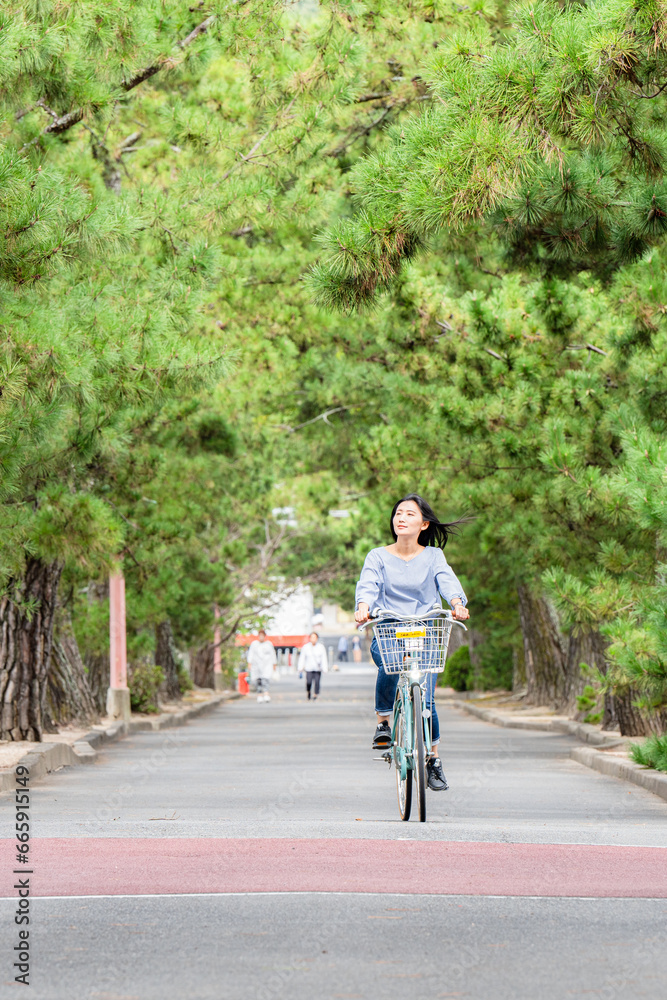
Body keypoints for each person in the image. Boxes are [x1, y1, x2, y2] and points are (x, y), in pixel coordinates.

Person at [354, 494, 470, 791]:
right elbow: (368, 584)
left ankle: (433, 759)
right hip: (389, 628)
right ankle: (383, 722)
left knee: (428, 700)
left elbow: (446, 581)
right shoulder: (377, 556)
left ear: (424, 523)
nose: (401, 518)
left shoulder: (433, 556)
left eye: (409, 514)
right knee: (389, 667)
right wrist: (363, 606)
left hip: (425, 630)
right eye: (398, 513)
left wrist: (457, 602)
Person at [247, 629, 277, 703]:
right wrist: (249, 663)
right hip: (256, 665)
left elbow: (273, 654)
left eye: (262, 636)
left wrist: (274, 664)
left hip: (266, 665)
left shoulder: (268, 644)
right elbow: (250, 654)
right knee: (258, 680)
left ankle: (266, 694)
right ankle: (259, 695)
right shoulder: (254, 644)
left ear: (265, 636)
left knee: (265, 680)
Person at [299, 631, 328, 700]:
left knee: (317, 681)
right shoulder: (306, 647)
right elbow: (302, 658)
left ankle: (315, 694)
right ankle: (308, 691)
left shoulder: (320, 647)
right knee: (308, 681)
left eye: (315, 637)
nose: (313, 639)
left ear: (317, 638)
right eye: (312, 637)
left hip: (317, 668)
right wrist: (300, 667)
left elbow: (323, 658)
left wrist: (325, 668)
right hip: (308, 668)